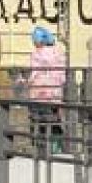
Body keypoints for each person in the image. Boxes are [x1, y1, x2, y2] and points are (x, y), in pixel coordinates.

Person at [26, 26, 66, 154]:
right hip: (54, 93)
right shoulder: (59, 54)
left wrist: (27, 82)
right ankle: (57, 146)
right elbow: (62, 76)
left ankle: (39, 147)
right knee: (54, 119)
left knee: (37, 121)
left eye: (34, 40)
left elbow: (34, 74)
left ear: (39, 41)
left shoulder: (36, 54)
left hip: (38, 92)